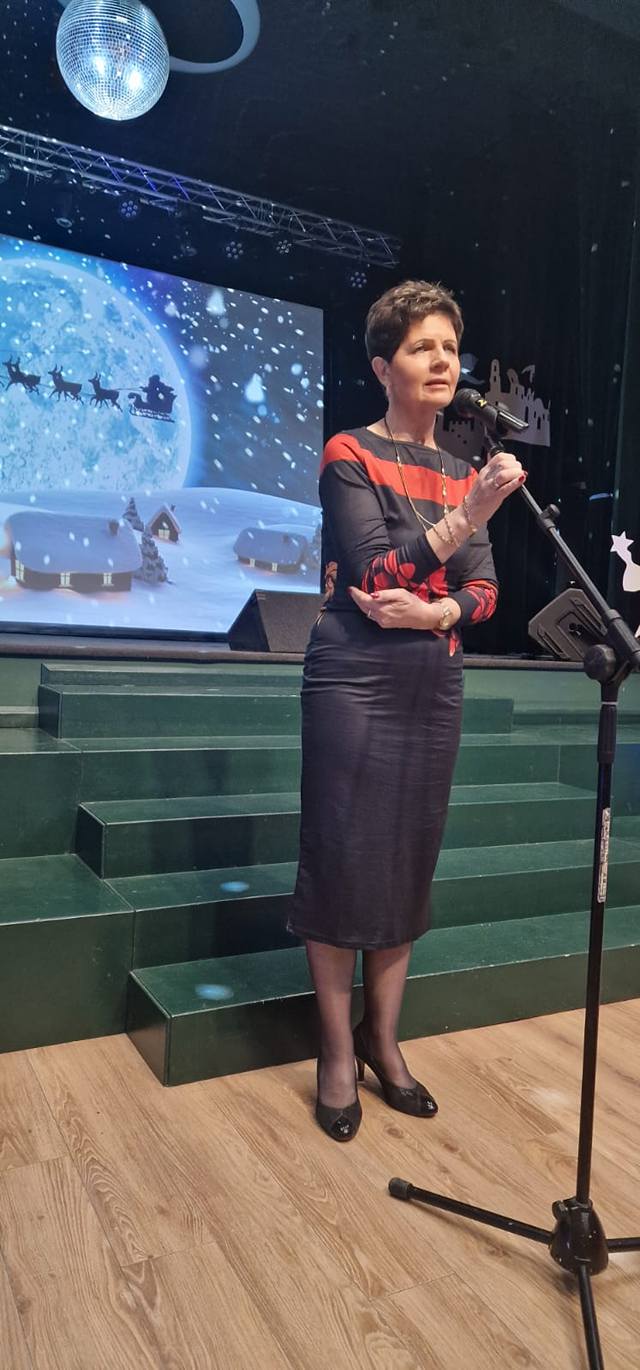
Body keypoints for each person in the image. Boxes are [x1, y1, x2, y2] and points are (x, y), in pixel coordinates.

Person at [286, 280, 526, 1142]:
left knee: (406, 859)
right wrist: (468, 519)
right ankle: (335, 1052)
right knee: (342, 854)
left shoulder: (463, 471)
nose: (442, 361)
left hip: (431, 680)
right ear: (383, 366)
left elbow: (485, 589)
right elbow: (374, 571)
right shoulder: (348, 452)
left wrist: (437, 614)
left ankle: (382, 1041)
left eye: (450, 348)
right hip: (352, 676)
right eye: (423, 347)